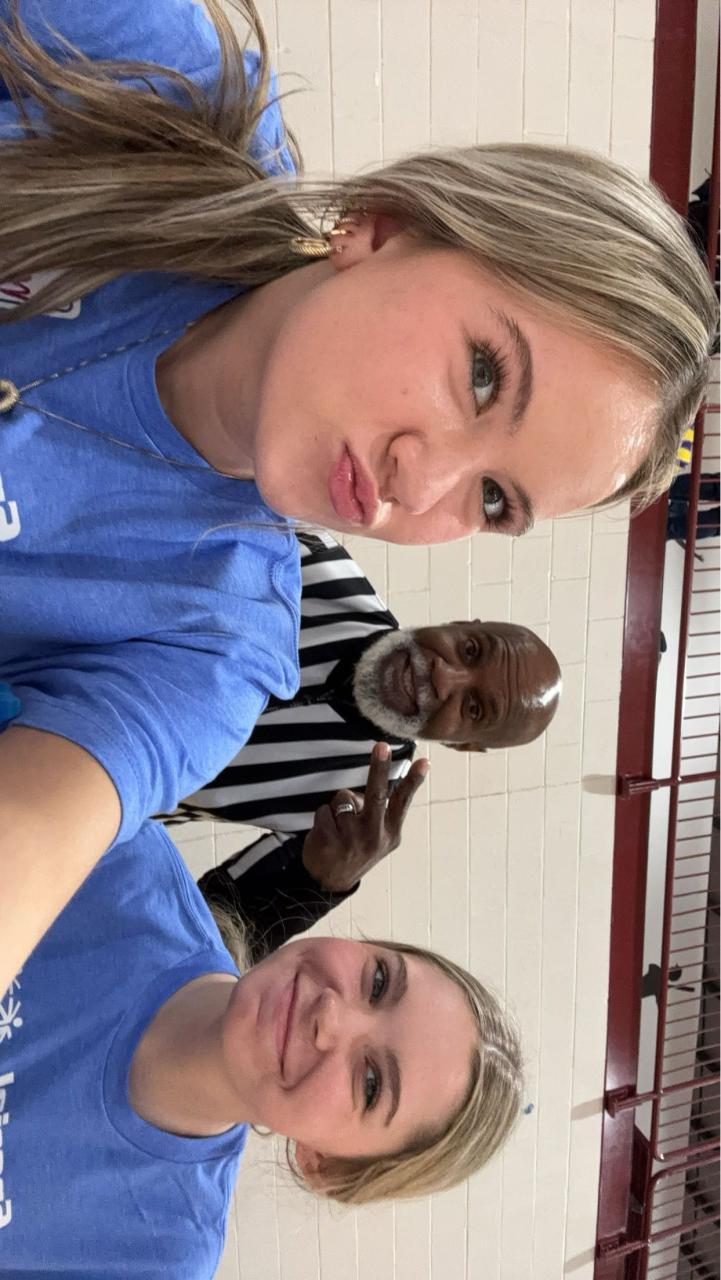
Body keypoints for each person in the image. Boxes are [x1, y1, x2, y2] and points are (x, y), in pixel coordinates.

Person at [0, 0, 717, 997]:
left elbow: (60, 834)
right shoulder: (165, 94)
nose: (418, 482)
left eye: (493, 499)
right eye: (482, 375)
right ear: (382, 228)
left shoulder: (211, 651)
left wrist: (311, 881)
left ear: (458, 743)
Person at [0, 759, 523, 1274]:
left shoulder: (153, 1256)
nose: (331, 1015)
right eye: (379, 981)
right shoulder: (118, 856)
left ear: (326, 1165)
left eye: (370, 1084)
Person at [177, 531, 560, 955]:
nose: (443, 676)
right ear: (460, 625)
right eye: (470, 650)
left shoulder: (356, 815)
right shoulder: (313, 562)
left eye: (473, 707)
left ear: (462, 744)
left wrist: (316, 885)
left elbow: (198, 935)